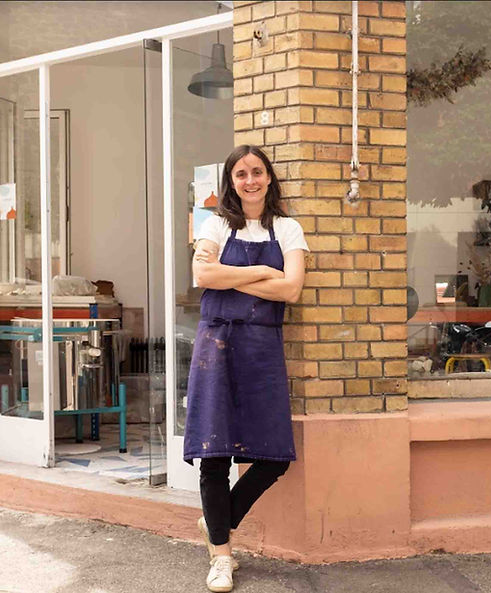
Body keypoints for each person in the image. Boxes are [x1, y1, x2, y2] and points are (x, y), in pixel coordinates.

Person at [184, 145, 308, 592]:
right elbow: (204, 278)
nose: (250, 180)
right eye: (241, 174)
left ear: (269, 179)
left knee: (273, 457)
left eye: (257, 172)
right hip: (216, 345)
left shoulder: (289, 229)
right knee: (214, 454)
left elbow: (292, 289)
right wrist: (260, 271)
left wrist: (230, 273)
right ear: (231, 183)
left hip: (261, 348)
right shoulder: (214, 223)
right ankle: (221, 556)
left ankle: (217, 522)